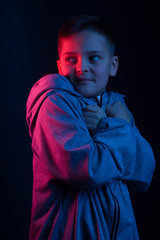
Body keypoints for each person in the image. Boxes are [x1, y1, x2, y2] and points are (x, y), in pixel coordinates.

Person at [26, 15, 156, 240]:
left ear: (112, 65)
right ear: (59, 65)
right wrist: (116, 127)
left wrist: (108, 124)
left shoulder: (116, 108)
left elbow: (144, 171)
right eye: (71, 59)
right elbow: (86, 169)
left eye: (93, 58)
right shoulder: (53, 103)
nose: (81, 68)